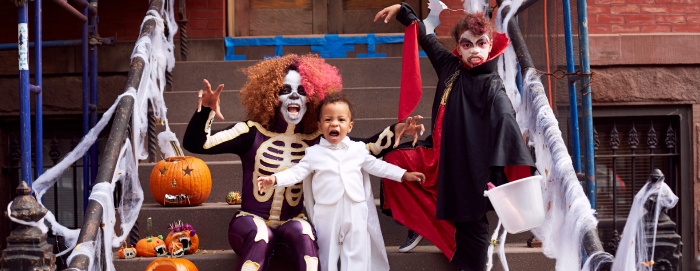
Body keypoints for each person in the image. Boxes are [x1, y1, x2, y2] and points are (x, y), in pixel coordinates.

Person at [182, 54, 424, 271]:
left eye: (302, 91)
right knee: (260, 237)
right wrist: (205, 111)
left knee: (306, 238)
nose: (295, 95)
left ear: (312, 99)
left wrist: (396, 130)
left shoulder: (318, 140)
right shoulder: (250, 132)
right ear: (272, 96)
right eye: (285, 89)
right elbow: (197, 144)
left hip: (291, 223)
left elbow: (365, 149)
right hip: (249, 222)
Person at [373, 4, 536, 271]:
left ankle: (472, 262)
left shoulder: (492, 84)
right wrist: (403, 10)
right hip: (437, 155)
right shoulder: (449, 65)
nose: (474, 50)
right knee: (394, 162)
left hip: (466, 164)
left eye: (481, 43)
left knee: (471, 222)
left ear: (490, 45)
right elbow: (425, 37)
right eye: (467, 44)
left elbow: (505, 116)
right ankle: (418, 223)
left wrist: (517, 165)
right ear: (458, 48)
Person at [257, 92, 426, 271]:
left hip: (356, 210)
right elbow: (297, 173)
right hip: (326, 213)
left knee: (357, 255)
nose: (335, 123)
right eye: (328, 119)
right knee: (326, 255)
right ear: (320, 125)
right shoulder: (313, 153)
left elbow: (378, 166)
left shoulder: (358, 149)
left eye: (341, 120)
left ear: (350, 126)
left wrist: (404, 174)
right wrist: (274, 179)